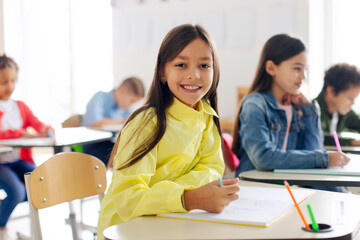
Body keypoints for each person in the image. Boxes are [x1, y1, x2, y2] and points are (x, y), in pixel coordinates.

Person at [97, 24, 240, 240]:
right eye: (181, 64)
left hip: (170, 220)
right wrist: (188, 197)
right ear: (163, 72)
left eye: (204, 65)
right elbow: (127, 198)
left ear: (214, 71)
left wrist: (183, 194)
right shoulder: (146, 123)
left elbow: (212, 168)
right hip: (126, 230)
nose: (194, 75)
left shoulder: (207, 116)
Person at [231, 34, 349, 192]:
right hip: (255, 187)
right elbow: (264, 158)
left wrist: (309, 111)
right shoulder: (255, 105)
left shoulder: (297, 107)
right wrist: (324, 158)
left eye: (304, 70)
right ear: (271, 68)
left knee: (337, 191)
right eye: (297, 68)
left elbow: (311, 151)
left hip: (284, 186)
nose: (303, 76)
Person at [0, 55, 52, 239]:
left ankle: (13, 207)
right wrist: (19, 133)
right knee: (17, 191)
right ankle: (1, 226)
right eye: (4, 81)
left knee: (41, 181)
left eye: (13, 80)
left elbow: (35, 122)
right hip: (1, 164)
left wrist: (45, 129)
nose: (9, 86)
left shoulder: (19, 106)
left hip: (18, 160)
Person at [81, 77, 145, 165]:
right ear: (123, 90)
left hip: (111, 144)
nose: (130, 105)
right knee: (123, 156)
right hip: (93, 145)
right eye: (131, 101)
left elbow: (131, 122)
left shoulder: (125, 108)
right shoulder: (100, 97)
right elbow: (95, 122)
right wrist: (121, 121)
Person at [315, 63, 360, 146]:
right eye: (350, 98)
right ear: (331, 91)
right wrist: (352, 142)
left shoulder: (344, 112)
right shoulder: (312, 111)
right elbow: (320, 137)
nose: (352, 103)